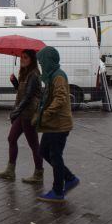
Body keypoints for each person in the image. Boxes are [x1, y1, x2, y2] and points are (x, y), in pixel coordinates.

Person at [33, 46, 79, 203]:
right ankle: (70, 178)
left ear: (48, 61)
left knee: (55, 156)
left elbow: (60, 98)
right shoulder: (51, 76)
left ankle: (58, 191)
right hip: (51, 124)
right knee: (43, 151)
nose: (41, 65)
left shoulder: (58, 76)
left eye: (42, 62)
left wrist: (45, 113)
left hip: (59, 125)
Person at [0, 49, 43, 183]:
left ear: (32, 60)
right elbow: (22, 92)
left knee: (34, 145)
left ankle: (39, 174)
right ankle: (10, 171)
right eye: (21, 57)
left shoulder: (34, 75)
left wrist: (16, 111)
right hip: (22, 113)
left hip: (28, 114)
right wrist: (15, 82)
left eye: (25, 57)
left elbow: (28, 97)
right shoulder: (25, 73)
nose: (22, 59)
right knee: (11, 139)